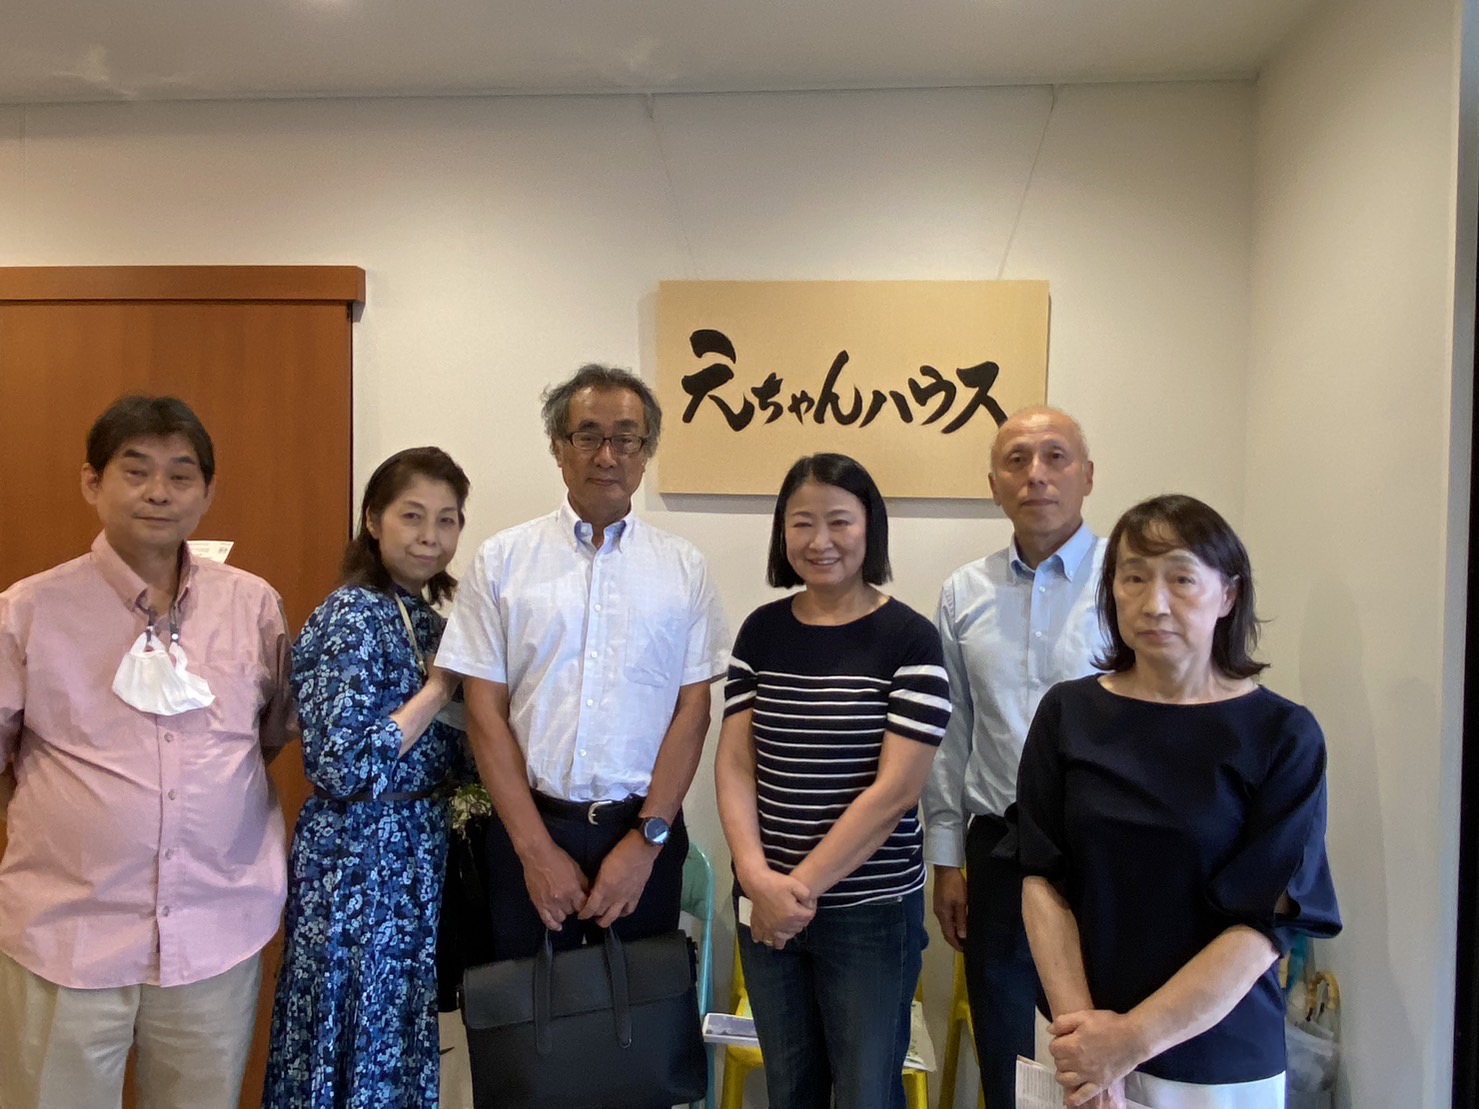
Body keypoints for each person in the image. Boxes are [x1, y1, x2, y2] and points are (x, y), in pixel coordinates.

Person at [0, 395, 293, 1109]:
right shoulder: (27, 611)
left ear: (207, 491)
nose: (159, 491)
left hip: (214, 933)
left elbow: (266, 738)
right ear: (91, 482)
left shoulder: (253, 605)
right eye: (136, 471)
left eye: (180, 475)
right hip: (65, 935)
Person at [1014, 494, 1341, 1108]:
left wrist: (1129, 1041)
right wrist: (1087, 1045)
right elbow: (1041, 876)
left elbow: (1263, 923)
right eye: (1133, 577)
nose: (1154, 603)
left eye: (1182, 579)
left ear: (1229, 595)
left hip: (1216, 1059)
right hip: (1076, 1040)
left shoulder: (1283, 734)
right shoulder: (1067, 713)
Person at [437, 363, 729, 966]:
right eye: (588, 435)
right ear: (558, 447)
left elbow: (693, 711)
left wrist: (646, 843)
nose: (607, 455)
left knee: (639, 1017)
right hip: (528, 829)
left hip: (643, 832)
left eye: (626, 438)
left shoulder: (684, 569)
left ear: (646, 452)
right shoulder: (501, 561)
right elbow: (484, 714)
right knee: (526, 1017)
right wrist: (535, 851)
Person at [715, 453, 951, 1109]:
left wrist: (795, 891)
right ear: (782, 532)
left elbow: (894, 793)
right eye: (802, 522)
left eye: (839, 521)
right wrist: (755, 877)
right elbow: (734, 763)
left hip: (868, 913)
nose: (820, 540)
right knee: (790, 1089)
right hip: (765, 906)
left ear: (870, 526)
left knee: (866, 1092)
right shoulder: (761, 631)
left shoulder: (910, 640)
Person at [263, 447, 474, 1108]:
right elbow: (342, 763)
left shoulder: (434, 622)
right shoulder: (350, 614)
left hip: (416, 851)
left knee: (398, 1028)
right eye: (412, 515)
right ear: (373, 520)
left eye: (446, 519)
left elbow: (458, 757)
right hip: (357, 854)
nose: (429, 535)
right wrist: (438, 690)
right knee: (345, 1025)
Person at [920, 405, 1106, 1109]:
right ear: (993, 484)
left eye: (1055, 456)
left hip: (1106, 852)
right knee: (1007, 1049)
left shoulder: (1128, 581)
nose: (1036, 475)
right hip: (998, 848)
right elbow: (951, 733)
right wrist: (946, 859)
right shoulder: (963, 593)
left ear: (1087, 475)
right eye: (1017, 460)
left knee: (1102, 1056)